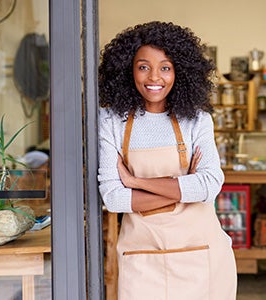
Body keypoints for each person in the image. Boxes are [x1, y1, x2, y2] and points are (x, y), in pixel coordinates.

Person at [97, 21, 236, 299]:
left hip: (202, 257)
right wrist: (185, 189)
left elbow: (210, 185)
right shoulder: (111, 121)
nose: (154, 77)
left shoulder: (197, 120)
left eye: (165, 67)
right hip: (141, 258)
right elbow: (113, 198)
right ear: (128, 70)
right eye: (143, 66)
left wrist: (136, 183)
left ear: (179, 72)